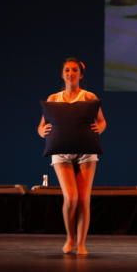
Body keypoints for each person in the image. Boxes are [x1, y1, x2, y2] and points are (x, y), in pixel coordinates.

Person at [37, 58, 107, 255]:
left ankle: (82, 243)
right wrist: (42, 131)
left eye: (74, 70)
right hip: (61, 153)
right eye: (67, 70)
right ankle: (70, 238)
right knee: (71, 197)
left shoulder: (89, 97)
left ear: (80, 74)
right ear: (62, 74)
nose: (70, 73)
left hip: (86, 152)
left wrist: (98, 128)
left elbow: (102, 122)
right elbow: (41, 126)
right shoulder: (53, 99)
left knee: (84, 198)